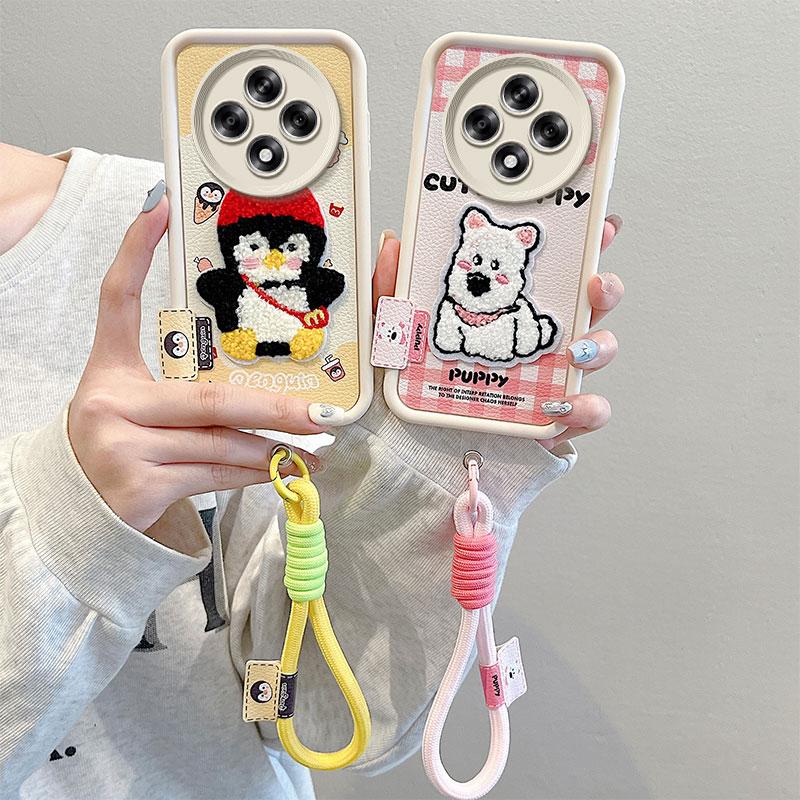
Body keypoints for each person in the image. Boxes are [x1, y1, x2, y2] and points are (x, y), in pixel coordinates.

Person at [0, 143, 623, 798]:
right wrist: (75, 526)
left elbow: (322, 716)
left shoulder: (175, 233)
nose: (271, 261)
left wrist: (420, 457)